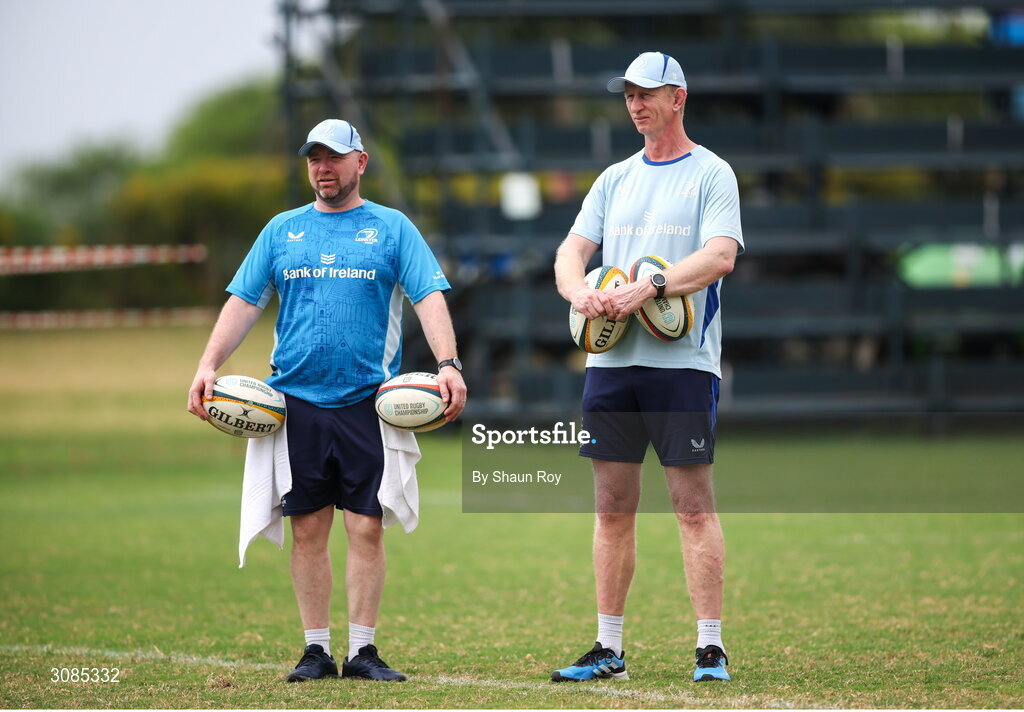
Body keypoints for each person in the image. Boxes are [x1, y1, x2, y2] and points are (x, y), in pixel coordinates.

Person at [187, 118, 467, 683]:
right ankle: (315, 650)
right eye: (315, 158)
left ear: (360, 163)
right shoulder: (282, 230)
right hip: (295, 403)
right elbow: (244, 300)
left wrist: (448, 364)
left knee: (366, 526)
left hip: (371, 400)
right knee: (308, 528)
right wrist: (207, 364)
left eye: (334, 157)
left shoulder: (390, 228)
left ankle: (363, 651)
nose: (323, 168)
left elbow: (428, 296)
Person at [551, 51, 743, 683]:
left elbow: (719, 258)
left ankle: (709, 647)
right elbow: (571, 252)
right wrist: (580, 293)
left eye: (646, 94)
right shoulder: (614, 178)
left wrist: (649, 287)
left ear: (678, 97)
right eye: (628, 95)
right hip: (611, 366)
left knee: (692, 507)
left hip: (683, 366)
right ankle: (609, 648)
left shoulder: (712, 174)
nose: (634, 104)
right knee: (611, 510)